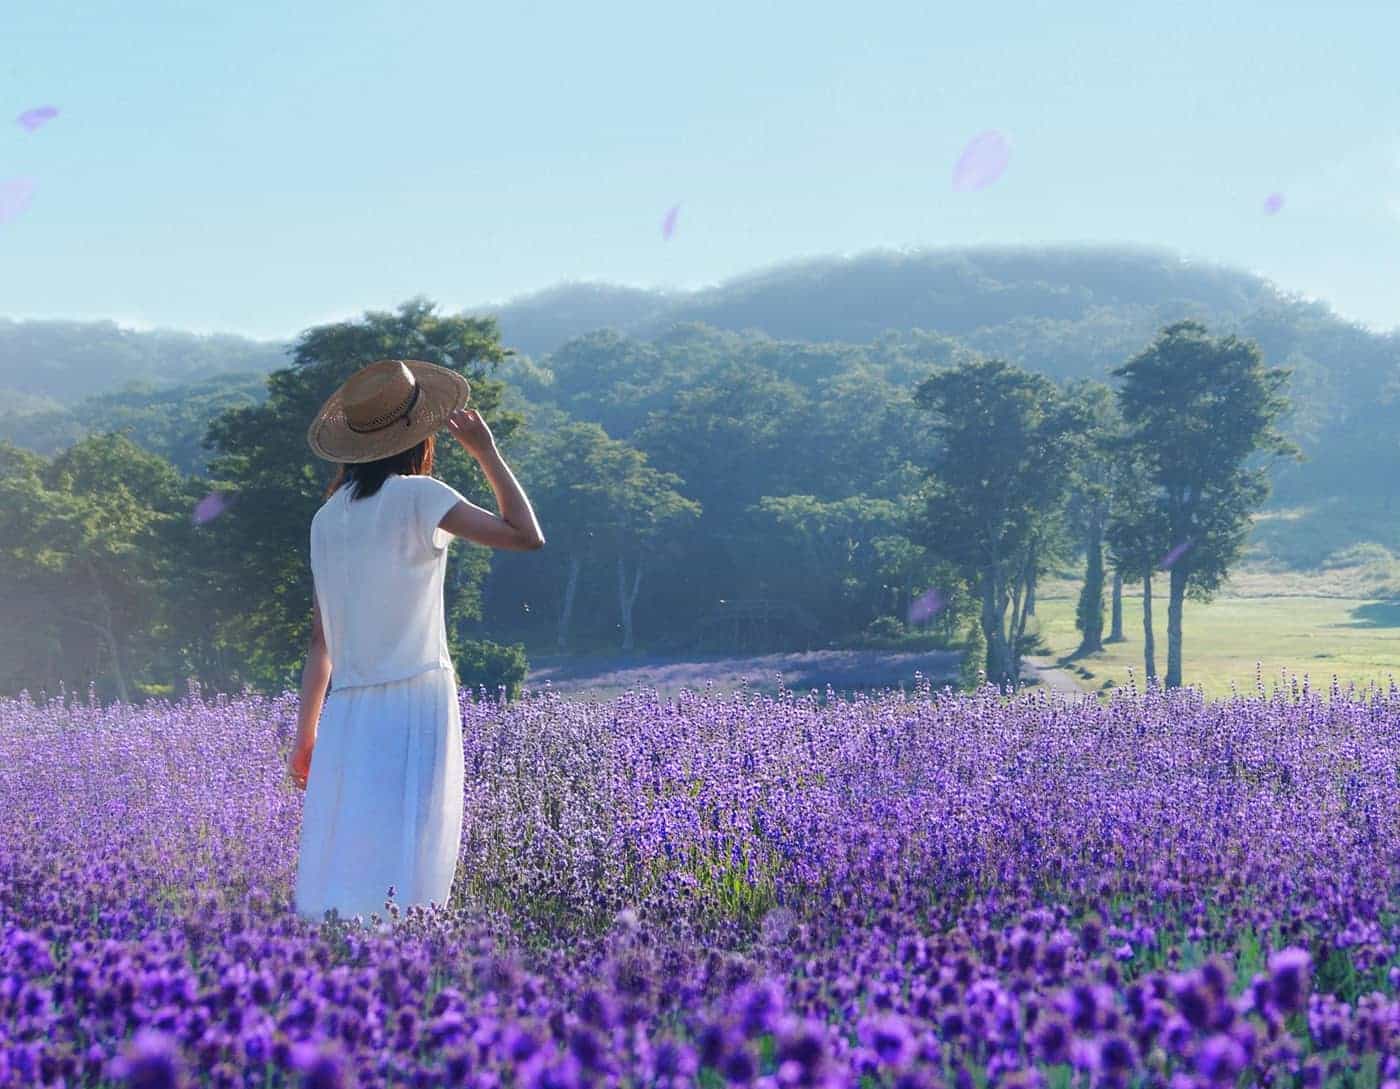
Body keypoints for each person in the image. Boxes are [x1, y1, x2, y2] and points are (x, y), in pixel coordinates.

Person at [288, 358, 545, 923]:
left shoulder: (325, 519)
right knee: (412, 847)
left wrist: (305, 734)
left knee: (350, 851)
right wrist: (486, 452)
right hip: (415, 698)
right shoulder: (421, 496)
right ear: (416, 435)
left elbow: (318, 642)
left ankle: (338, 970)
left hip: (349, 710)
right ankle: (403, 972)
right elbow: (526, 537)